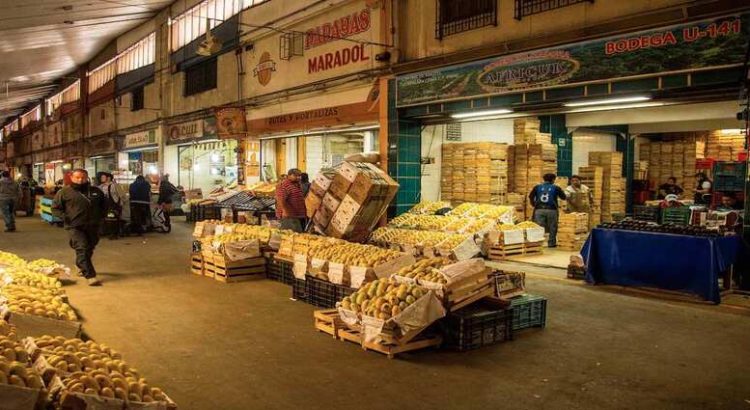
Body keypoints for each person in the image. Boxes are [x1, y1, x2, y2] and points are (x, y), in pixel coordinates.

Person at [52, 169, 106, 286]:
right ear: (71, 178)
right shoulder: (64, 192)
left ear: (87, 178)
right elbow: (55, 208)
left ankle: (80, 264)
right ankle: (90, 276)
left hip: (93, 226)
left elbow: (104, 206)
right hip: (74, 226)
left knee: (90, 247)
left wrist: (101, 218)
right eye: (77, 177)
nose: (80, 180)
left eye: (83, 177)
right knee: (82, 247)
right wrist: (65, 217)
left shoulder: (96, 191)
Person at [529, 173, 567, 248]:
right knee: (552, 227)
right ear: (553, 179)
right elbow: (563, 197)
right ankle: (551, 243)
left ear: (544, 179)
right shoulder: (556, 187)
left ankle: (538, 243)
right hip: (551, 210)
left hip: (539, 209)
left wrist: (534, 204)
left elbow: (531, 196)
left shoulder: (537, 187)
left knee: (539, 227)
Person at [99, 173, 124, 239]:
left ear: (109, 178)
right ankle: (110, 233)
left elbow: (122, 195)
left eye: (103, 177)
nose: (101, 178)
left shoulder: (115, 185)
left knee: (113, 219)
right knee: (108, 219)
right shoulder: (101, 186)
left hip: (114, 205)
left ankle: (114, 234)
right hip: (106, 205)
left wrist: (120, 204)